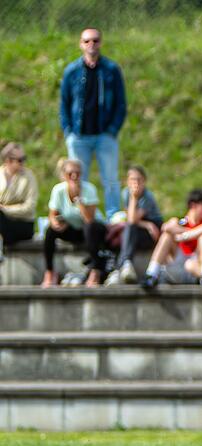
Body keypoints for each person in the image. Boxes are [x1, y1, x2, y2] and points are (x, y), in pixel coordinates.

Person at [59, 27, 126, 217]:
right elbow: (64, 103)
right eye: (87, 41)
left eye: (95, 40)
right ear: (81, 44)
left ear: (101, 43)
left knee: (111, 179)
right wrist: (68, 132)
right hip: (79, 135)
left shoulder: (111, 70)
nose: (91, 44)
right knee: (78, 178)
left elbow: (121, 104)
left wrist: (112, 129)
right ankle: (81, 215)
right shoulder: (71, 71)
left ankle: (113, 215)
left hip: (105, 134)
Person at [42, 158, 107, 288]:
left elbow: (89, 219)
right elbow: (52, 214)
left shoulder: (89, 189)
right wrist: (57, 223)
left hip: (94, 230)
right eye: (70, 173)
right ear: (64, 175)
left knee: (89, 228)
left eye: (77, 173)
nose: (74, 176)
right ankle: (49, 271)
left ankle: (95, 271)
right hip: (73, 229)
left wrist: (78, 200)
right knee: (50, 231)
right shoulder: (58, 190)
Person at [141, 188, 202, 289]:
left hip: (197, 265)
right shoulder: (179, 221)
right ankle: (151, 274)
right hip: (177, 265)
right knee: (167, 236)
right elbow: (166, 227)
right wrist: (188, 232)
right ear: (193, 205)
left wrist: (186, 236)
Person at [104, 166, 163, 286]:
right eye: (132, 180)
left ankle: (119, 269)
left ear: (144, 181)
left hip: (153, 230)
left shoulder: (148, 197)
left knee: (128, 231)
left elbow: (132, 219)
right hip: (142, 226)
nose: (135, 183)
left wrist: (134, 199)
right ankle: (125, 264)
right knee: (127, 231)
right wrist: (146, 224)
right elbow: (130, 217)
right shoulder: (126, 193)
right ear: (127, 181)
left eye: (139, 180)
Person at [0, 142, 37, 261]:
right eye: (20, 160)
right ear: (8, 160)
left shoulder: (29, 176)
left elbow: (29, 208)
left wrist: (5, 209)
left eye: (24, 159)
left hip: (23, 224)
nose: (23, 163)